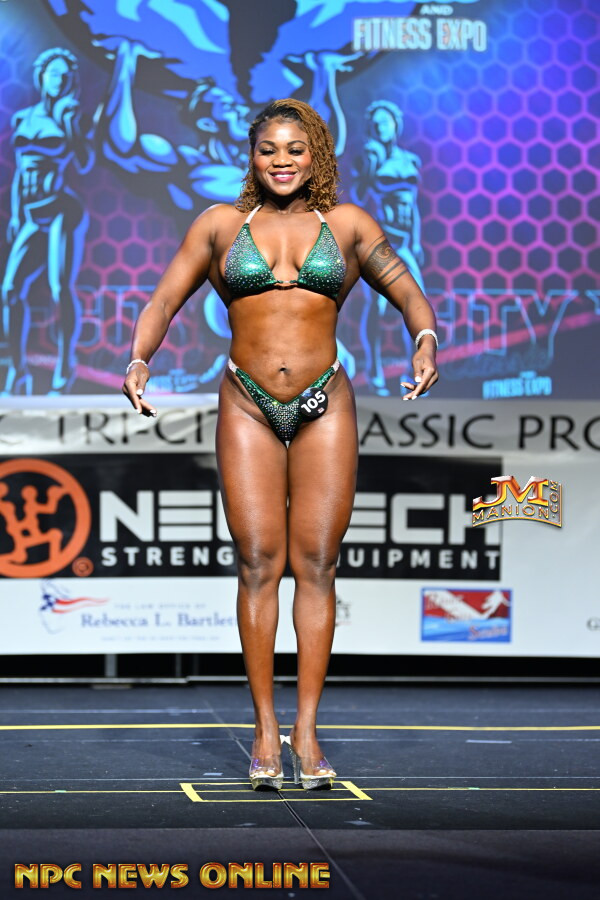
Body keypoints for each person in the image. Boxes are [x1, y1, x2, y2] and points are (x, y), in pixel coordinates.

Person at [122, 99, 439, 790]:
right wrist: (141, 358)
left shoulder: (348, 225)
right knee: (258, 562)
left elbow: (410, 294)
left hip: (326, 402)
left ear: (315, 153)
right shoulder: (220, 225)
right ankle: (265, 728)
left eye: (295, 148)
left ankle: (307, 728)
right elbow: (163, 300)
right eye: (268, 149)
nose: (281, 160)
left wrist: (424, 339)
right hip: (247, 402)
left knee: (317, 564)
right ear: (253, 156)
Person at [2, 48, 94, 396]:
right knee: (11, 289)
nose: (58, 80)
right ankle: (18, 371)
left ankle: (65, 366)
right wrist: (16, 214)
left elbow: (84, 162)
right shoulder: (23, 118)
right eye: (53, 74)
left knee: (59, 287)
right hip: (30, 212)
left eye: (64, 75)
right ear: (41, 77)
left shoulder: (70, 115)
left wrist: (69, 125)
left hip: (61, 209)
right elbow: (19, 171)